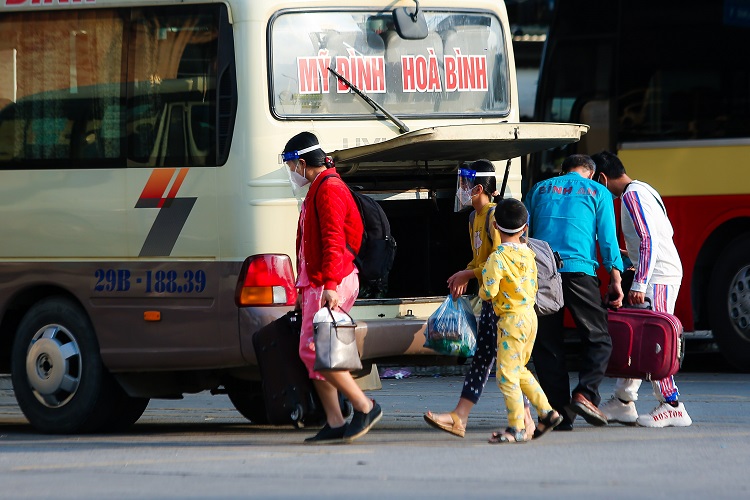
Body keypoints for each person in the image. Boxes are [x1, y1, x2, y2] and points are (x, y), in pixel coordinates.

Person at [423, 160, 537, 440]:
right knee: (487, 356)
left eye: (464, 184)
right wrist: (465, 274)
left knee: (503, 361)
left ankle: (526, 420)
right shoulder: (474, 218)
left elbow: (501, 258)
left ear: (478, 188)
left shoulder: (493, 216)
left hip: (504, 302)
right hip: (492, 301)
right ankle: (461, 417)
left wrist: (467, 274)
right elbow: (480, 260)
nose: (460, 190)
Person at [282, 131, 382, 444]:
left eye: (290, 165)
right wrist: (302, 291)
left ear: (301, 162)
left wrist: (329, 284)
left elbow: (333, 241)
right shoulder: (318, 188)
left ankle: (365, 406)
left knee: (315, 350)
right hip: (316, 282)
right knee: (312, 351)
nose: (290, 173)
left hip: (332, 280)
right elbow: (307, 244)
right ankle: (335, 420)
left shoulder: (329, 189)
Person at [592, 150, 692, 427]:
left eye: (595, 182)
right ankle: (624, 401)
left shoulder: (632, 196)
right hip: (658, 273)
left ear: (602, 177)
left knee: (656, 341)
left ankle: (672, 404)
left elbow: (648, 239)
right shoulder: (643, 189)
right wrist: (631, 257)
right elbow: (656, 236)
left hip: (658, 276)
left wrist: (640, 281)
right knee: (639, 340)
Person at [526, 154, 624, 430]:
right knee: (598, 338)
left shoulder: (540, 189)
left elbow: (524, 231)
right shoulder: (598, 191)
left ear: (564, 170)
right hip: (579, 271)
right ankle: (585, 393)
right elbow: (607, 238)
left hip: (541, 272)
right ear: (590, 174)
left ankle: (559, 415)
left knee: (547, 344)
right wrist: (615, 276)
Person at [481, 198, 563, 443]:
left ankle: (516, 426)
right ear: (525, 227)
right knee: (520, 370)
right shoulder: (529, 253)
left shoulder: (497, 257)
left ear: (495, 226)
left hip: (510, 322)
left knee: (505, 375)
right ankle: (547, 413)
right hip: (530, 319)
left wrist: (484, 291)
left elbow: (489, 291)